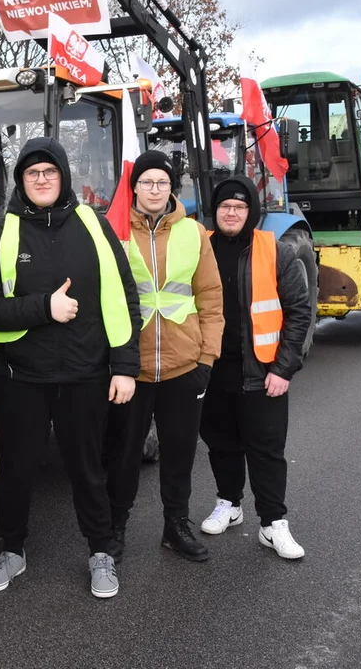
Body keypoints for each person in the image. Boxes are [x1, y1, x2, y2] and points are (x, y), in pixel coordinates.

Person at [0, 137, 141, 599]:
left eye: (50, 171)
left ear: (63, 176)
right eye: (32, 173)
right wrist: (43, 308)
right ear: (20, 181)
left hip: (85, 373)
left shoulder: (94, 226)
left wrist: (125, 367)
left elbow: (124, 296)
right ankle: (12, 550)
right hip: (21, 377)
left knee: (88, 467)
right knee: (16, 467)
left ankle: (101, 552)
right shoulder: (1, 234)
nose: (42, 179)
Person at [104, 150, 224, 563]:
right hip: (129, 369)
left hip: (183, 366)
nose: (154, 189)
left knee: (179, 453)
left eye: (162, 182)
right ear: (133, 187)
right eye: (146, 182)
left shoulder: (194, 232)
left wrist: (207, 358)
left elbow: (210, 297)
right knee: (122, 455)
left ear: (172, 188)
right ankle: (115, 527)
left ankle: (176, 526)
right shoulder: (113, 230)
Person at [197, 177, 313, 560]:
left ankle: (272, 523)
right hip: (213, 370)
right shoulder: (201, 250)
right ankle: (229, 503)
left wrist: (283, 369)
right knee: (220, 443)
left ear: (251, 212)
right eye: (225, 206)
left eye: (239, 207)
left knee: (265, 449)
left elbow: (300, 313)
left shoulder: (275, 251)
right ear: (215, 211)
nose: (231, 213)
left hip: (263, 373)